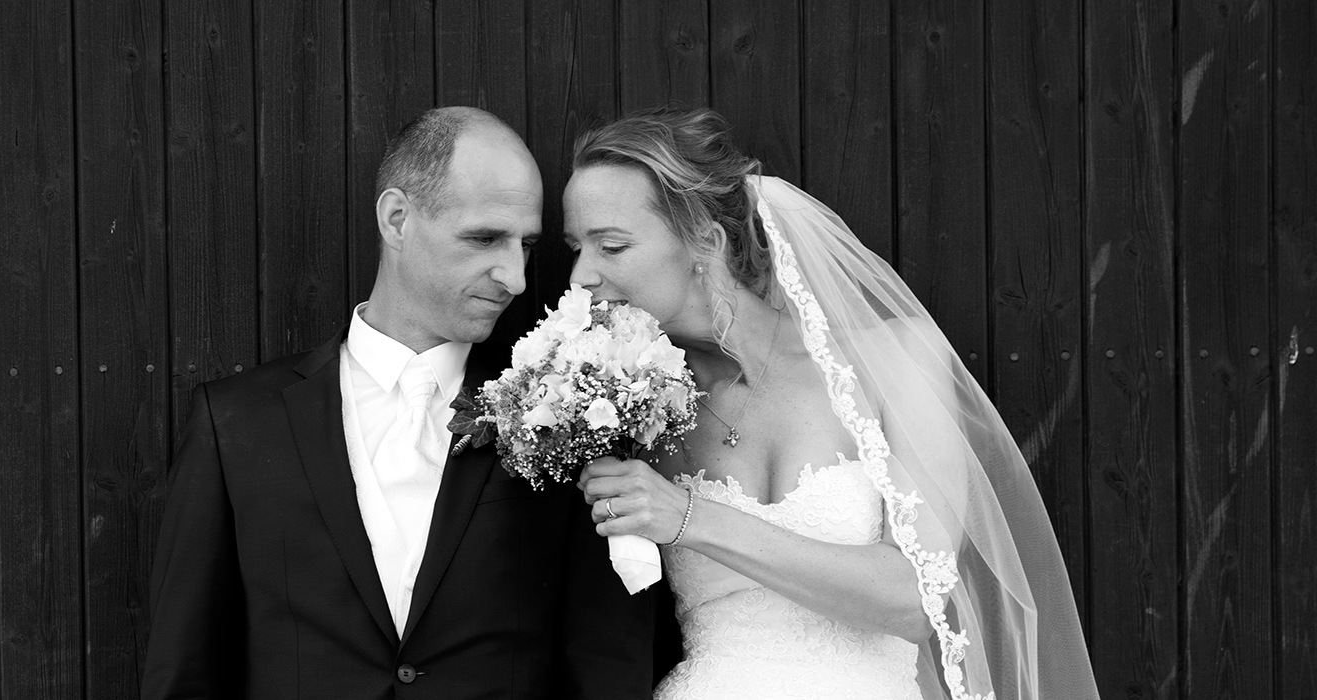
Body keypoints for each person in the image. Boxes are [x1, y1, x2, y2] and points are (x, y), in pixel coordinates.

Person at [563, 107, 1099, 700]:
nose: (581, 275)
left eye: (611, 246)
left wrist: (692, 517)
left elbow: (920, 601)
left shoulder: (891, 361)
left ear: (704, 242)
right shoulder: (623, 408)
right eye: (575, 247)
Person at [143, 106, 656, 700]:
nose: (515, 278)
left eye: (528, 246)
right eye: (485, 237)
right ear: (396, 219)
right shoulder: (235, 421)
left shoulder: (573, 409)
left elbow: (607, 661)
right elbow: (184, 669)